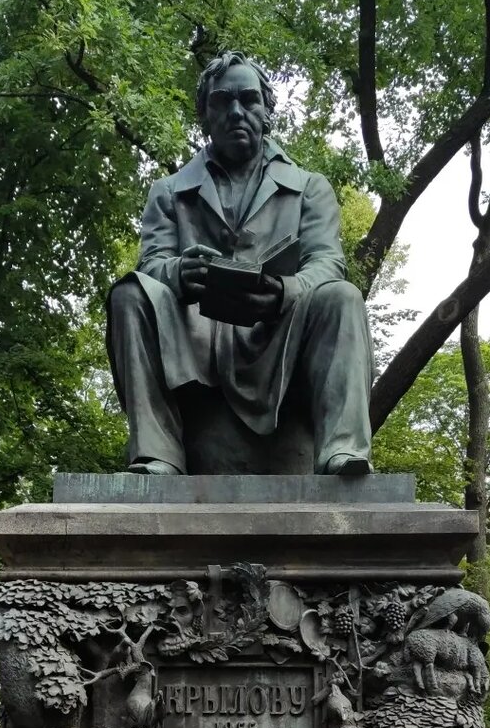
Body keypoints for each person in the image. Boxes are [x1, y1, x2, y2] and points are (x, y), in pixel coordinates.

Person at [107, 51, 374, 476]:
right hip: (195, 342)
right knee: (128, 293)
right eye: (221, 101)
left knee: (342, 297)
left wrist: (285, 291)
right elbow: (152, 263)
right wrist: (177, 271)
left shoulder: (309, 188)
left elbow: (327, 264)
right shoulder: (168, 192)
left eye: (249, 100)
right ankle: (159, 454)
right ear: (205, 115)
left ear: (267, 111)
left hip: (277, 337)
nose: (236, 112)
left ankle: (341, 451)